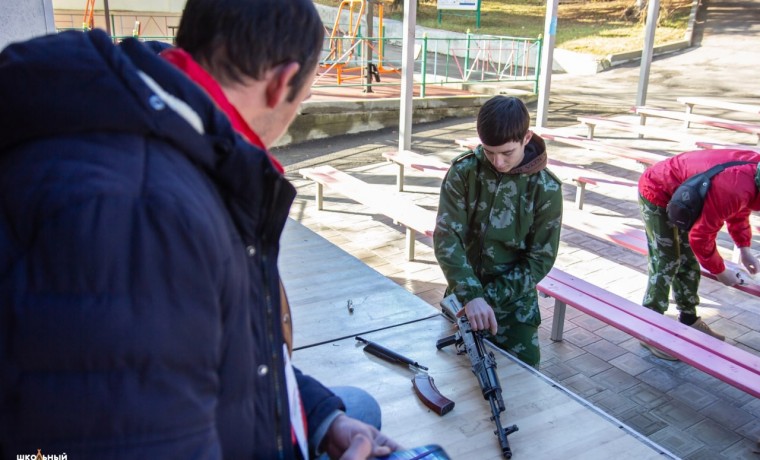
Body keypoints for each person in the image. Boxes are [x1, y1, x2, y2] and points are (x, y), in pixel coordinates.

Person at [0, 0, 400, 458]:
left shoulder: (166, 133)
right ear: (281, 83)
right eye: (304, 96)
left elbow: (232, 348)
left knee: (357, 408)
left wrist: (325, 417)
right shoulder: (146, 215)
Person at [433, 96, 563, 367]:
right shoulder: (464, 172)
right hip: (463, 301)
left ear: (526, 138)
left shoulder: (545, 188)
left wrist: (485, 299)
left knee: (525, 380)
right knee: (451, 374)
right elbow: (447, 237)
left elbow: (540, 259)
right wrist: (471, 296)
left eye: (507, 153)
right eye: (490, 152)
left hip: (514, 310)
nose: (498, 162)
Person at [637, 149, 760, 360]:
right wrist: (721, 272)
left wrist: (744, 249)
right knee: (666, 260)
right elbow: (700, 237)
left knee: (688, 260)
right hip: (657, 190)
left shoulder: (751, 178)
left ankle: (689, 319)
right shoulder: (735, 186)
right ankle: (650, 329)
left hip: (687, 197)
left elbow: (739, 209)